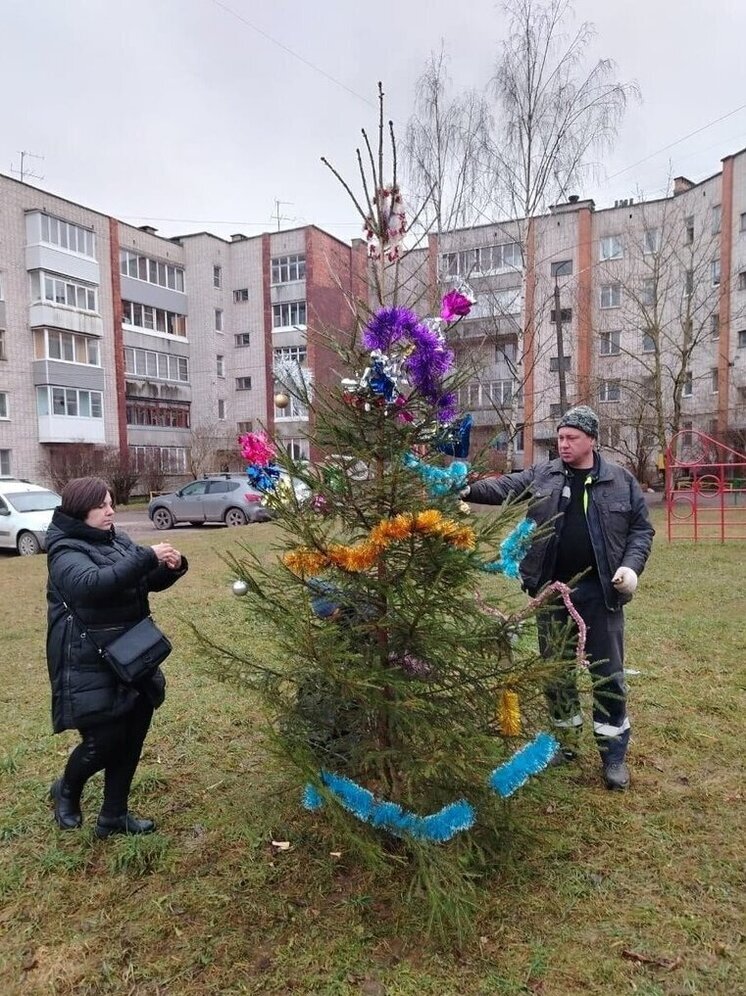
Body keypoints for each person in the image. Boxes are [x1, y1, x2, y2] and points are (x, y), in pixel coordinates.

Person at [463, 405, 654, 790]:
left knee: (607, 674)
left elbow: (641, 530)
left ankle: (613, 756)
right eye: (561, 437)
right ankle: (566, 743)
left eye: (572, 438)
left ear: (592, 440)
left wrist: (631, 568)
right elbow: (505, 487)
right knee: (556, 672)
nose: (563, 444)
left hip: (601, 594)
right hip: (552, 592)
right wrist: (465, 487)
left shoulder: (620, 480)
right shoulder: (544, 474)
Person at [45, 476, 188, 836]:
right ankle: (66, 790)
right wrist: (146, 557)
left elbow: (141, 579)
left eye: (110, 503)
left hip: (131, 653)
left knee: (133, 735)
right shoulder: (65, 550)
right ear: (80, 510)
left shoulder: (114, 539)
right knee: (103, 743)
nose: (111, 511)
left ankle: (113, 816)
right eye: (102, 506)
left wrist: (170, 567)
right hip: (89, 660)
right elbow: (92, 586)